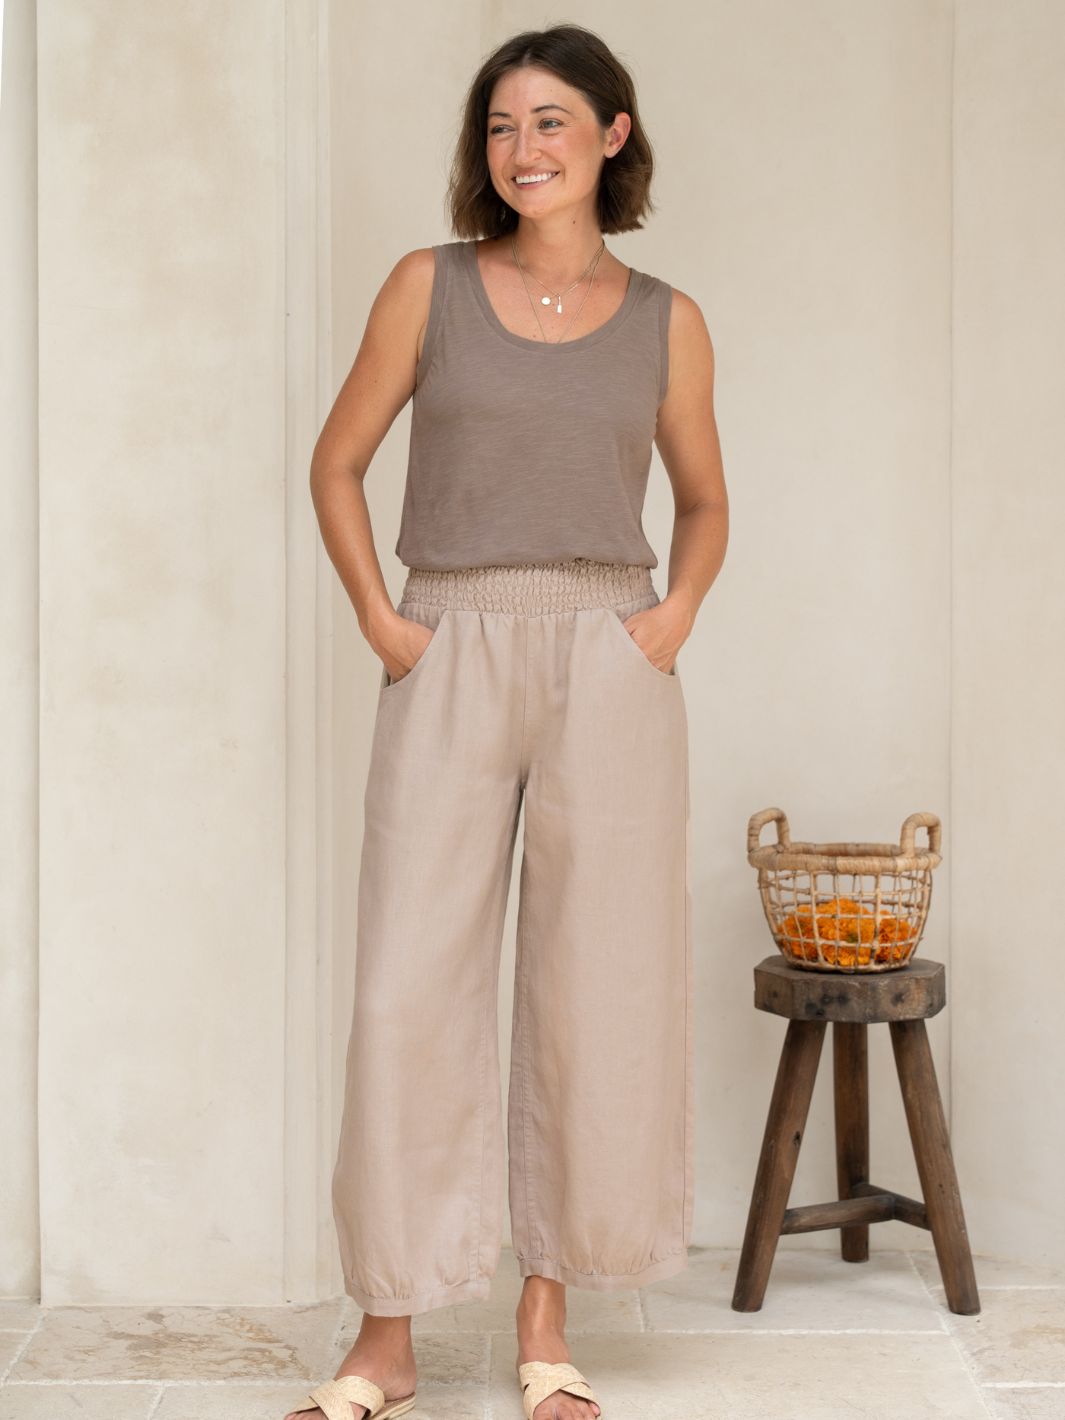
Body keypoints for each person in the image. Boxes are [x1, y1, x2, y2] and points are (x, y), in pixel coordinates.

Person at [289, 22, 727, 1420]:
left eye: (549, 120)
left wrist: (667, 621)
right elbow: (338, 461)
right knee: (406, 984)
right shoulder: (428, 289)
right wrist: (381, 618)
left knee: (591, 986)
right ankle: (387, 1332)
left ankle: (547, 1317)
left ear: (611, 135)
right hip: (451, 637)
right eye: (497, 126)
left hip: (609, 650)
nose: (520, 148)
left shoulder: (668, 317)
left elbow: (706, 502)